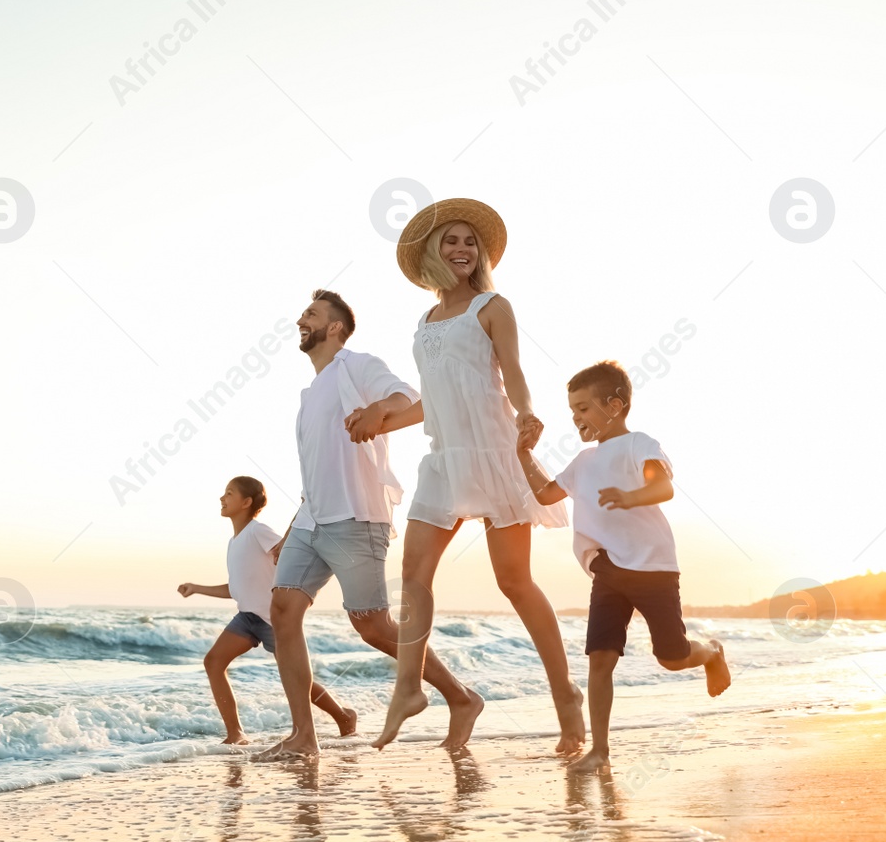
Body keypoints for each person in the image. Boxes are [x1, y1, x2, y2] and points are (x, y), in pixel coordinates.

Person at [353, 199, 586, 754]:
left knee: (514, 581)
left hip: (496, 451)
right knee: (413, 573)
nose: (462, 249)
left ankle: (566, 697)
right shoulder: (425, 320)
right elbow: (432, 403)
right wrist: (379, 420)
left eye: (470, 242)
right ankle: (408, 688)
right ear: (431, 252)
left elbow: (513, 373)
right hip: (445, 456)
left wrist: (528, 415)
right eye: (451, 241)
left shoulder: (492, 305)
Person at [258, 290, 485, 762]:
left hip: (356, 517)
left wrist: (381, 411)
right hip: (311, 520)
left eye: (312, 315)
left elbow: (409, 394)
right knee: (282, 613)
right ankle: (304, 734)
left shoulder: (355, 365)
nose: (301, 320)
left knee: (374, 626)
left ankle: (461, 697)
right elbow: (316, 471)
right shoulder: (310, 392)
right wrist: (290, 529)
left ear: (335, 327)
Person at [514, 359, 731, 774]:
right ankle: (601, 750)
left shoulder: (641, 445)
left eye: (583, 408)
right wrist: (524, 455)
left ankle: (711, 652)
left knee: (671, 657)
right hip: (608, 571)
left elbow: (662, 485)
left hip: (653, 569)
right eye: (572, 410)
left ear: (615, 405)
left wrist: (631, 498)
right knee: (600, 658)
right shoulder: (581, 463)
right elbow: (544, 494)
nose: (576, 418)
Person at [177, 476, 358, 744]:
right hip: (247, 618)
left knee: (295, 677)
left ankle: (342, 716)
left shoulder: (257, 531)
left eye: (229, 494)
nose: (222, 498)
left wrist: (288, 547)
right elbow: (236, 588)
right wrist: (197, 588)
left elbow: (287, 554)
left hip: (274, 619)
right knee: (213, 662)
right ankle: (235, 734)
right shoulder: (234, 542)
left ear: (246, 502)